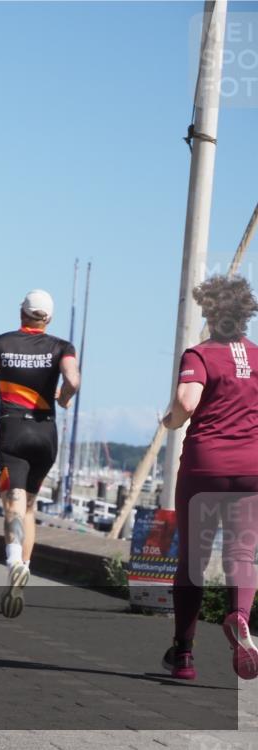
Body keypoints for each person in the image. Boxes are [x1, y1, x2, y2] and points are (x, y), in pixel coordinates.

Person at [160, 274, 258, 680]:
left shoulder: (199, 354)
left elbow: (186, 401)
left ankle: (183, 654)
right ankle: (239, 617)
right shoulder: (256, 355)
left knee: (194, 559)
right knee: (242, 553)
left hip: (205, 467)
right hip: (252, 469)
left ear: (210, 313)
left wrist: (169, 419)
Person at [0, 289, 80, 618]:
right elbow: (73, 380)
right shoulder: (61, 346)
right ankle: (25, 568)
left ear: (21, 312)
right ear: (48, 318)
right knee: (30, 506)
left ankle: (14, 562)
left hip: (13, 430)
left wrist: (4, 389)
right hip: (45, 434)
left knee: (13, 504)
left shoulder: (1, 343)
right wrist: (62, 398)